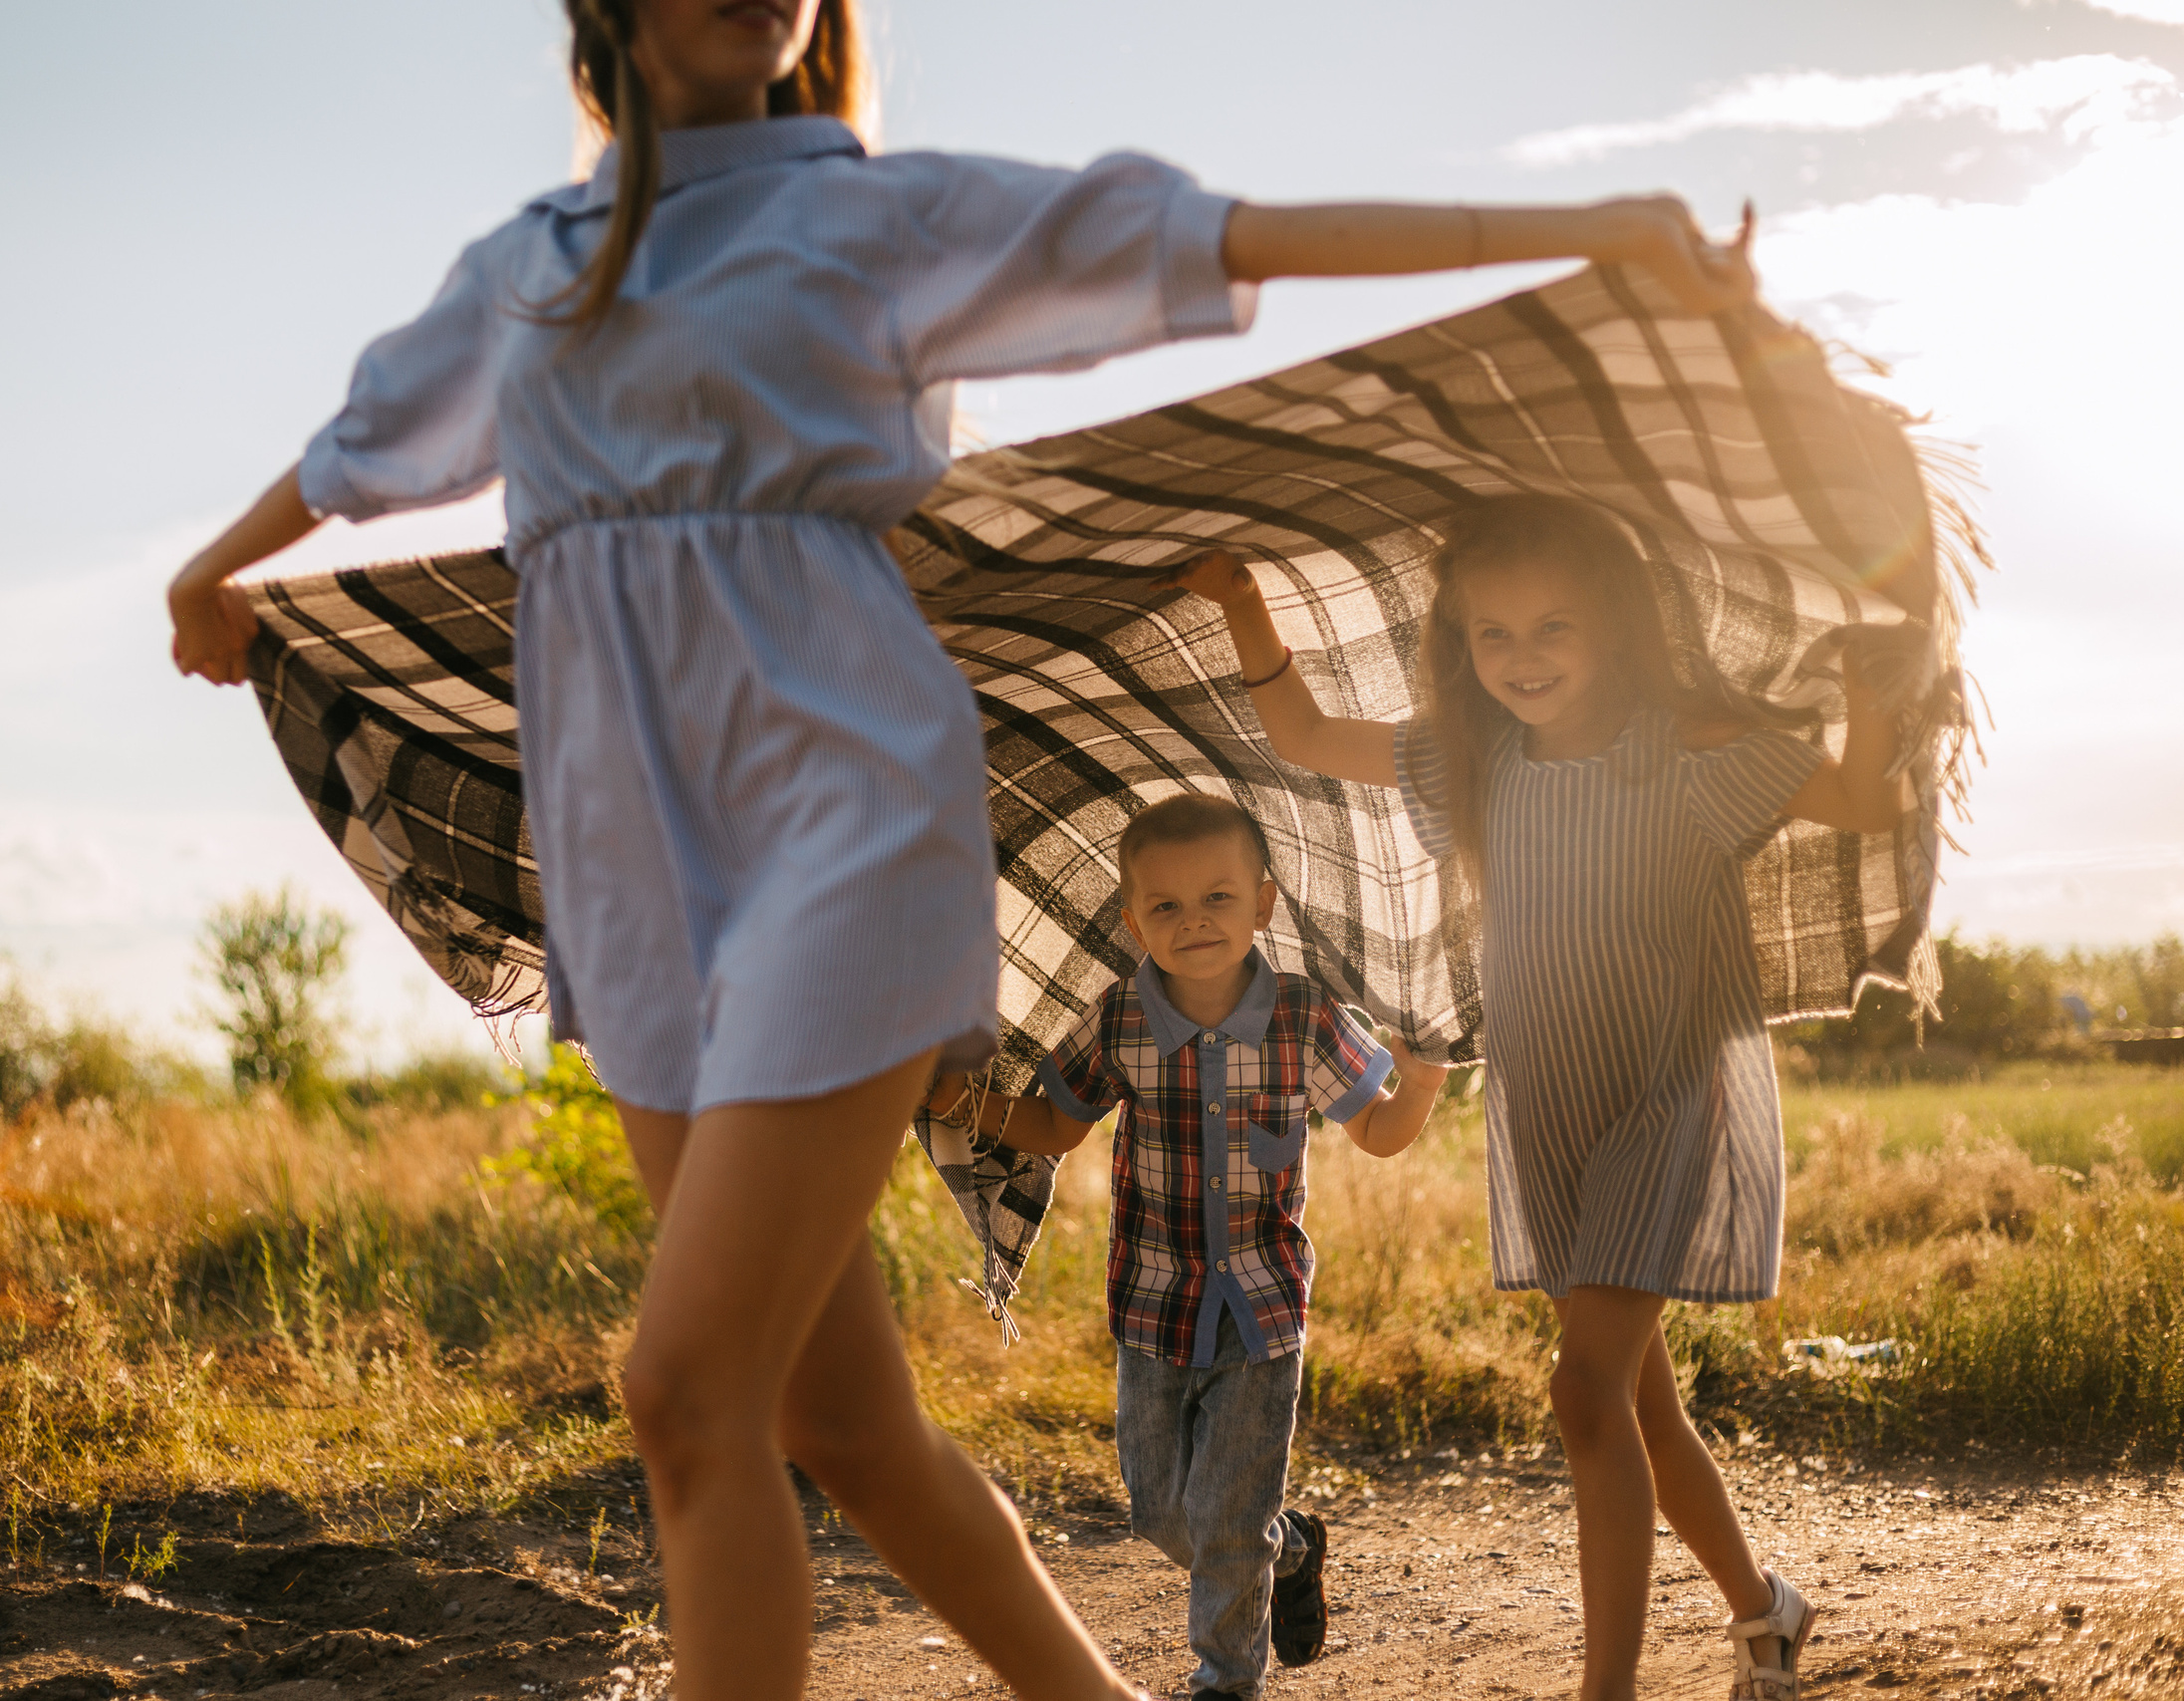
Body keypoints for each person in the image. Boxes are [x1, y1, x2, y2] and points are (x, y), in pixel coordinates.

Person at [163, 2, 1758, 1694]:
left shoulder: (870, 216)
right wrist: (212, 567)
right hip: (631, 891)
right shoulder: (530, 271)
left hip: (843, 842)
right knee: (834, 1418)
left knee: (686, 1394)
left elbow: (1214, 235)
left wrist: (1597, 224)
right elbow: (359, 446)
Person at [1167, 494, 1904, 1701]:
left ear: (1614, 626)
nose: (1521, 661)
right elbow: (1299, 734)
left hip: (1671, 1096)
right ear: (1458, 642)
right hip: (1548, 1113)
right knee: (1639, 1412)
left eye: (1553, 628)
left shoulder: (1684, 750)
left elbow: (1866, 801)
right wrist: (1245, 605)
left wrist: (1874, 685)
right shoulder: (1470, 759)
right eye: (1491, 635)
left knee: (1580, 1392)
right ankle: (1765, 1611)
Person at [925, 792, 1443, 1700]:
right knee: (1164, 1512)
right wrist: (968, 1107)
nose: (1194, 921)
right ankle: (1290, 1547)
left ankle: (1226, 1680)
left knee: (1226, 1519)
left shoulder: (1304, 1016)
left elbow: (1383, 1130)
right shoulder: (1121, 1018)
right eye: (1165, 906)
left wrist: (1431, 1063)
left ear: (1264, 904)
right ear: (1133, 921)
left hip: (1263, 1308)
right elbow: (1054, 1125)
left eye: (1218, 898)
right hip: (1151, 1304)